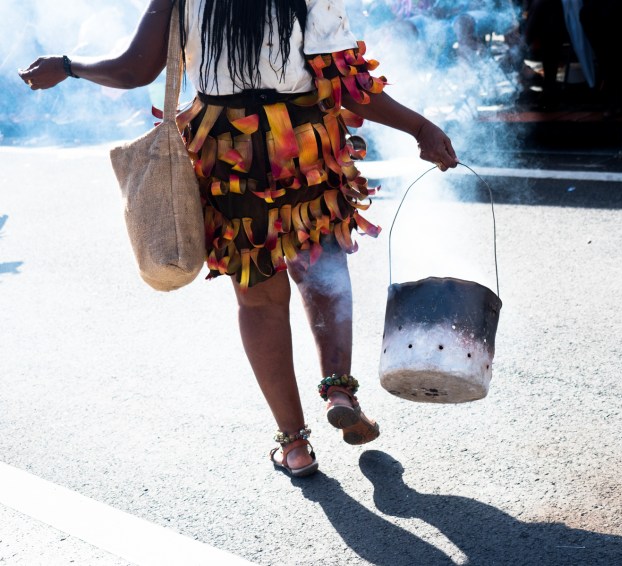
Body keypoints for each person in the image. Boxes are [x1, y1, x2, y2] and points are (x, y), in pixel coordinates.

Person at [19, 0, 458, 478]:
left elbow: (135, 69)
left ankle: (294, 445)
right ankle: (338, 389)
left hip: (228, 149)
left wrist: (66, 66)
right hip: (303, 139)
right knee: (322, 269)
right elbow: (346, 85)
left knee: (259, 301)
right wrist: (420, 127)